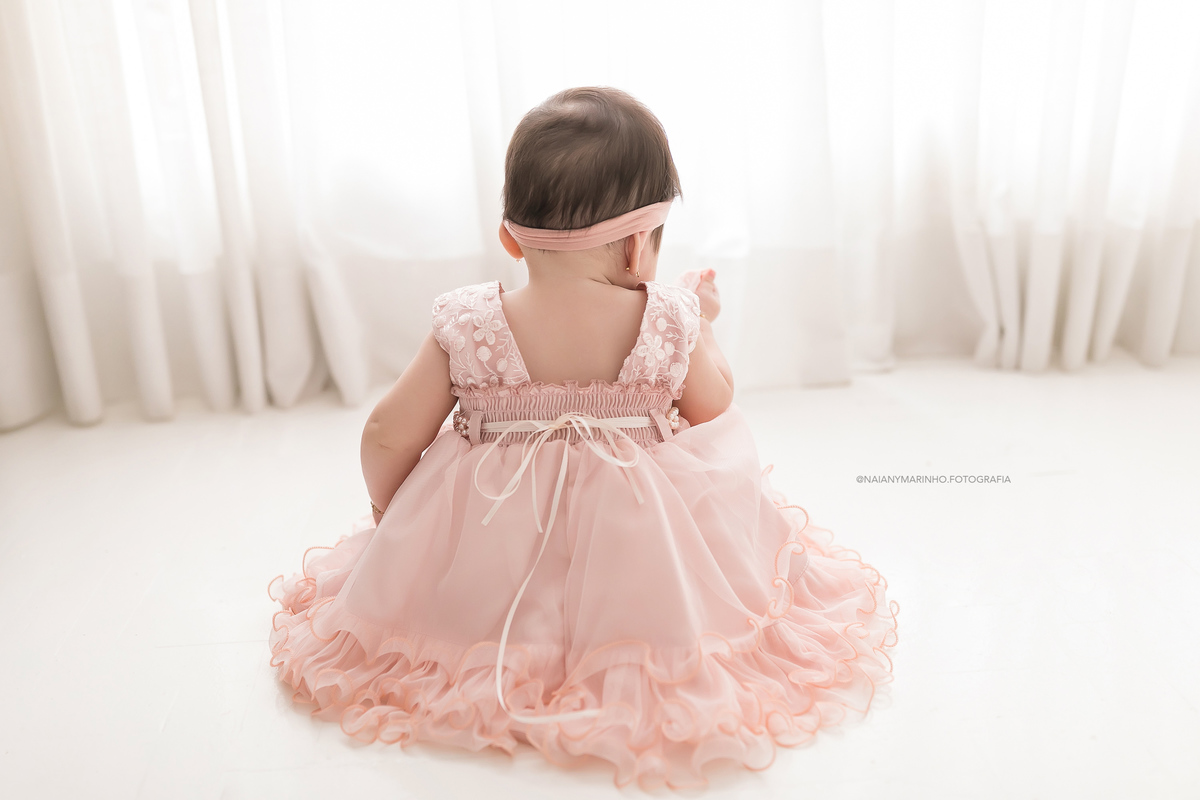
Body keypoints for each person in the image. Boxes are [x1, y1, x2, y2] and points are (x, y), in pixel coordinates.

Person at [268, 86, 899, 790]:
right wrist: (705, 325)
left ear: (510, 238)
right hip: (641, 569)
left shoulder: (467, 324)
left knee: (455, 622)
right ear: (636, 245)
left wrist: (394, 520)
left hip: (487, 557)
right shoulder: (668, 319)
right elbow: (716, 405)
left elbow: (386, 433)